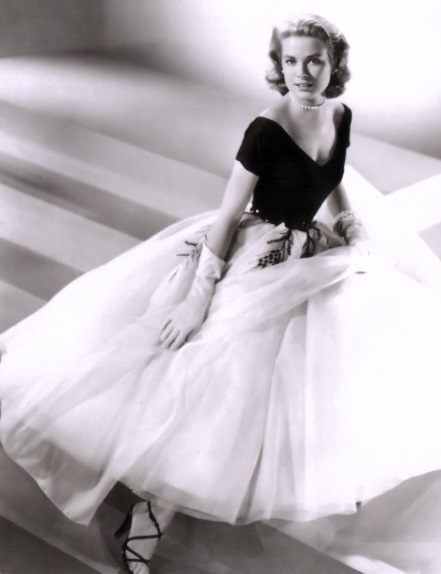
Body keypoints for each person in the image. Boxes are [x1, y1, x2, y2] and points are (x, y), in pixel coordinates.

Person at [1, 14, 441, 574]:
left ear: (334, 66)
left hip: (312, 252)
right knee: (213, 374)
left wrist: (352, 228)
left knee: (353, 337)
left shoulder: (339, 115)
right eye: (292, 61)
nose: (303, 72)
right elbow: (228, 217)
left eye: (315, 61)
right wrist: (196, 300)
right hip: (252, 253)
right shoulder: (266, 130)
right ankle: (150, 513)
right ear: (280, 68)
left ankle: (328, 474)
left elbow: (334, 182)